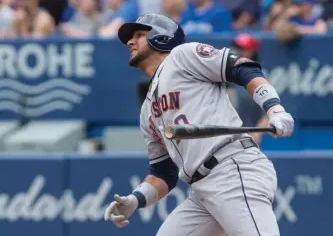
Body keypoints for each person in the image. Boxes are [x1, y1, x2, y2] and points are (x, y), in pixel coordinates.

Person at [104, 13, 294, 236]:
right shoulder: (147, 109)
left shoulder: (182, 56)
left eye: (139, 34)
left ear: (160, 36)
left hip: (231, 169)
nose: (130, 41)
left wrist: (274, 108)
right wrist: (135, 200)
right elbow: (164, 174)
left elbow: (242, 68)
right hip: (201, 192)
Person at [229, 33, 268, 144]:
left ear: (252, 52)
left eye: (243, 49)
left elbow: (268, 113)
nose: (239, 52)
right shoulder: (226, 74)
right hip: (226, 136)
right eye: (238, 48)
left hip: (248, 136)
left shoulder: (259, 78)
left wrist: (257, 134)